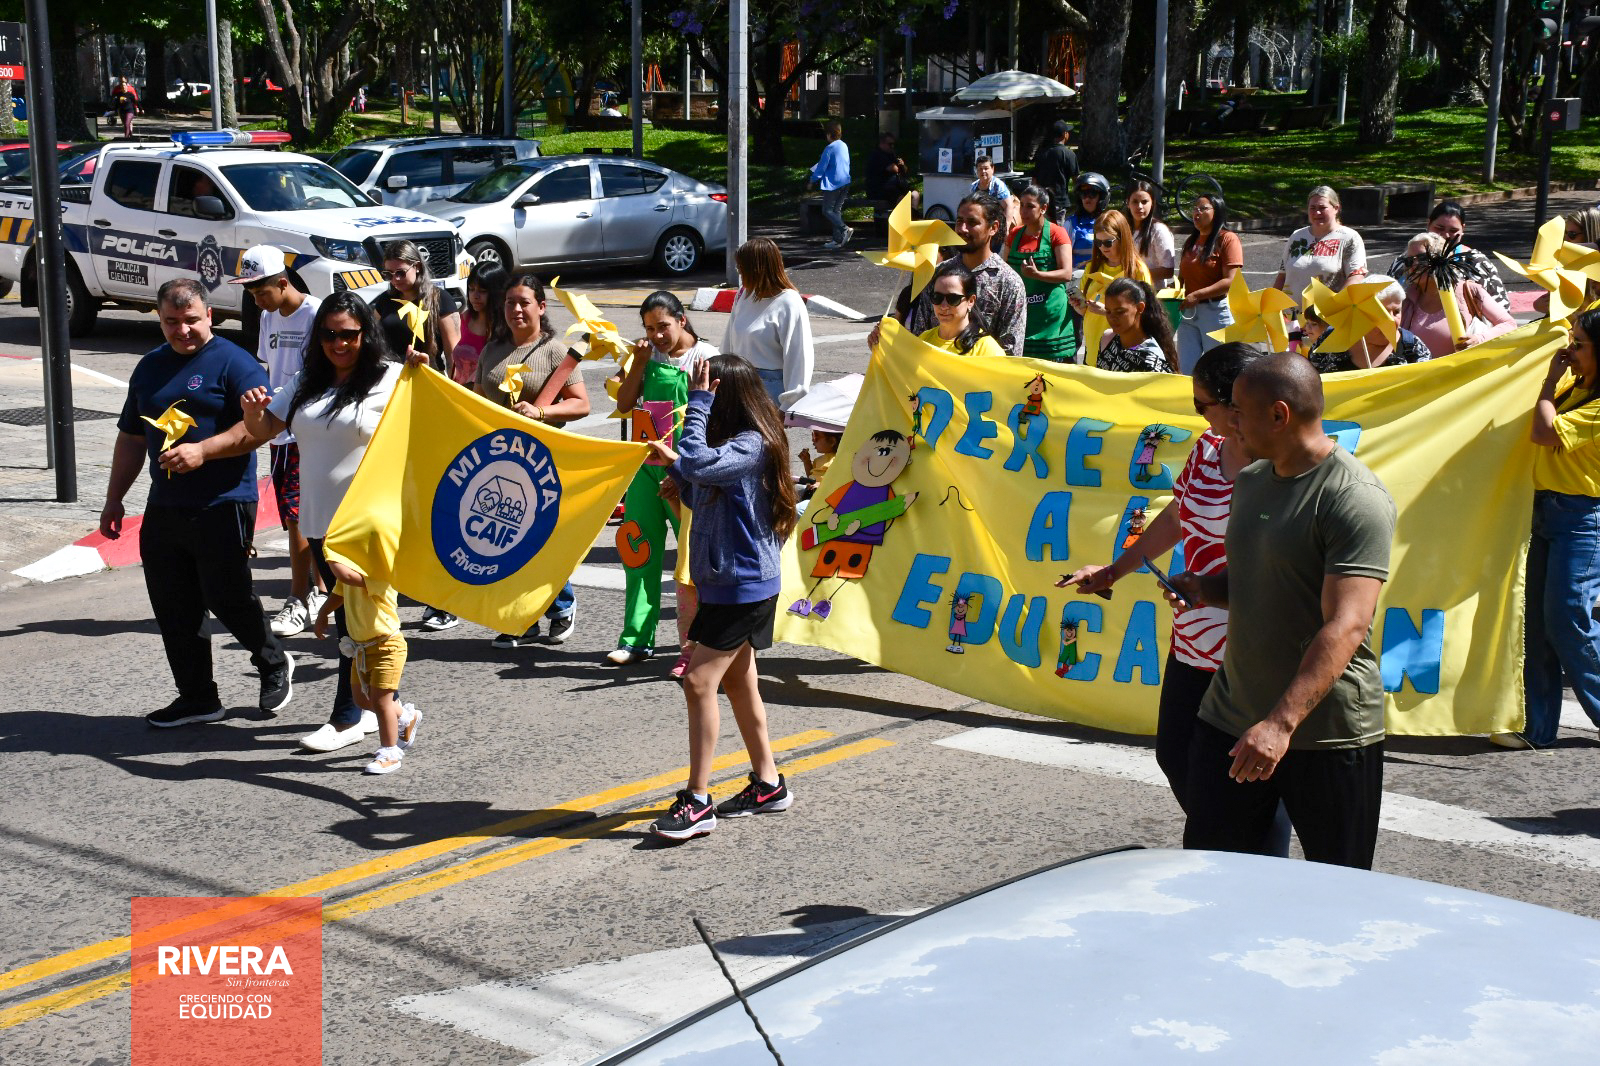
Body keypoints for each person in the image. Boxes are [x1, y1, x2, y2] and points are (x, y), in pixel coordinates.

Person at [1169, 353, 1396, 870]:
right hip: (1230, 719)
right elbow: (1260, 583)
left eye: (1239, 411)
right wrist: (1205, 588)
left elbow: (1347, 623)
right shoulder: (1251, 480)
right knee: (1213, 877)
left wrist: (1279, 724)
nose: (1231, 423)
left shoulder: (1353, 497)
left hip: (1325, 734)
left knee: (1334, 889)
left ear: (1278, 415)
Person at [1064, 343, 1290, 857]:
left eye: (1201, 403)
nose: (1197, 413)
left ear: (1237, 404)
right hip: (1192, 641)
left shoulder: (1281, 467)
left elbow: (1283, 559)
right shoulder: (1207, 449)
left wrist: (1209, 590)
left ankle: (1255, 869)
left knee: (1249, 780)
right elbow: (1176, 515)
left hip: (1249, 649)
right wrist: (1113, 570)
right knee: (1176, 756)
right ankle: (1229, 850)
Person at [102, 279, 293, 727]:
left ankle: (272, 661)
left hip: (224, 501)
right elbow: (131, 437)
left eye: (191, 320)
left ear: (209, 315)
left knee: (227, 595)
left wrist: (203, 451)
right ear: (159, 319)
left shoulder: (234, 362)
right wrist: (114, 499)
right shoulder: (150, 367)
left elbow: (259, 429)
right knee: (174, 603)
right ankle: (198, 697)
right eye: (172, 321)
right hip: (165, 503)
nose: (182, 330)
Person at [241, 292, 404, 753]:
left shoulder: (393, 378)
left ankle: (348, 716)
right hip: (318, 524)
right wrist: (251, 412)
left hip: (367, 523)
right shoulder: (305, 380)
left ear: (366, 334)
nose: (339, 343)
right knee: (357, 624)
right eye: (329, 334)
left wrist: (424, 369)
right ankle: (389, 706)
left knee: (357, 625)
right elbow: (264, 430)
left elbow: (434, 422)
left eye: (349, 334)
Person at [647, 355, 799, 841]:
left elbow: (698, 462)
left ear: (725, 397)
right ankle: (769, 784)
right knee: (739, 682)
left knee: (697, 682)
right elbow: (706, 489)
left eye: (710, 391)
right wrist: (679, 476)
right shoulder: (734, 446)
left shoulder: (752, 443)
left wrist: (697, 404)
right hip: (728, 581)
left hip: (742, 585)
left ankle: (697, 801)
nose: (701, 399)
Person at [475, 273, 588, 647]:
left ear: (541, 307)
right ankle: (520, 617)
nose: (516, 309)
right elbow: (477, 400)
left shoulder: (555, 351)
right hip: (499, 460)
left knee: (541, 535)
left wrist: (541, 412)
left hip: (543, 461)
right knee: (506, 534)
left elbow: (581, 404)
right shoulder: (492, 350)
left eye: (524, 302)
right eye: (510, 302)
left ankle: (561, 607)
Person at [611, 291, 717, 670]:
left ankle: (702, 643)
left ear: (682, 319)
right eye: (649, 328)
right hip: (645, 470)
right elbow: (624, 404)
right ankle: (636, 639)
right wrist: (638, 363)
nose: (656, 336)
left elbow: (715, 423)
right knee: (638, 552)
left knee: (693, 563)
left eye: (663, 326)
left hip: (686, 473)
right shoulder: (644, 356)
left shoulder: (707, 358)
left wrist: (682, 471)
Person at [1511, 308, 1600, 750]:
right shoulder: (1576, 387)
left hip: (1582, 520)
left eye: (1579, 344)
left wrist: (1548, 380)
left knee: (1568, 621)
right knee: (1538, 626)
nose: (1570, 350)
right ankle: (1538, 728)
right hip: (1547, 511)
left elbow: (1545, 432)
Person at [233, 245, 325, 639]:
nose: (256, 301)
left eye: (261, 292)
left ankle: (298, 598)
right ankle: (320, 590)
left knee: (300, 516)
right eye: (251, 293)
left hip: (311, 430)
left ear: (283, 282)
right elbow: (269, 369)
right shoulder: (268, 317)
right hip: (279, 431)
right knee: (300, 516)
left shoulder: (317, 314)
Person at [311, 554, 420, 775]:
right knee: (361, 699)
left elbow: (347, 577)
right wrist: (323, 613)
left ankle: (389, 754)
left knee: (381, 703)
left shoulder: (382, 570)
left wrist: (330, 554)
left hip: (387, 647)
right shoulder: (352, 566)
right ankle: (405, 717)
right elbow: (340, 589)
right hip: (361, 649)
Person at [891, 194, 1027, 357]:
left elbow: (1011, 353)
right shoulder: (937, 274)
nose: (962, 229)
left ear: (993, 227)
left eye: (972, 223)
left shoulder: (1009, 282)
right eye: (959, 221)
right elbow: (920, 334)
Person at [722, 237, 814, 411]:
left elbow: (798, 357)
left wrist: (788, 406)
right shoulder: (744, 294)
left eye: (741, 268)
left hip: (770, 391)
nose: (739, 272)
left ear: (757, 269)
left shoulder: (789, 302)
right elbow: (729, 342)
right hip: (738, 383)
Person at [1396, 231, 1515, 358]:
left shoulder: (1468, 290)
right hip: (1421, 371)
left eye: (1422, 259)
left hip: (1464, 369)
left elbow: (1509, 325)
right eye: (1409, 261)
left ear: (1441, 258)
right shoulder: (1405, 299)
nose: (1414, 265)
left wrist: (1479, 339)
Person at [1383, 201, 1511, 312]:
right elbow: (1385, 297)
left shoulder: (1477, 262)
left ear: (1463, 229)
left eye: (1453, 231)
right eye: (1439, 228)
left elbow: (1502, 307)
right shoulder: (1405, 260)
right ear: (1428, 224)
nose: (1446, 235)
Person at [1072, 210, 1153, 365]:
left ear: (1122, 239)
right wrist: (1080, 306)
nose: (1103, 247)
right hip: (1092, 351)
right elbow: (1087, 312)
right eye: (1098, 242)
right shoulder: (1091, 268)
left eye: (1108, 242)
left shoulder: (1137, 271)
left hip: (1123, 355)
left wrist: (1107, 312)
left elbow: (1146, 315)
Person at [370, 239, 462, 376]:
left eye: (400, 273)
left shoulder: (441, 299)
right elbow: (372, 339)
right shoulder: (385, 299)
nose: (395, 279)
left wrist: (454, 386)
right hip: (391, 378)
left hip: (427, 377)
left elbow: (453, 356)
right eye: (389, 274)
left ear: (417, 266)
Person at [1006, 184, 1076, 361]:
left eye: (1030, 206)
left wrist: (1037, 275)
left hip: (1050, 317)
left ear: (1043, 208)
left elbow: (1067, 273)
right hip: (1022, 315)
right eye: (1022, 205)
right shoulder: (1014, 234)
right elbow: (1004, 268)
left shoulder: (1057, 233)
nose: (1023, 211)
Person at [1175, 192, 1244, 374]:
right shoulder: (1190, 241)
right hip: (1187, 313)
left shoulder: (1227, 239)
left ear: (1217, 211)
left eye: (1203, 208)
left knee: (1218, 370)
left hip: (1215, 313)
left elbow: (1230, 281)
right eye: (1194, 209)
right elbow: (1182, 278)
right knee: (1186, 370)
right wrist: (1172, 291)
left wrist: (1198, 295)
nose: (1196, 212)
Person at [1306, 275, 1431, 373]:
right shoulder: (1327, 342)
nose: (1392, 320)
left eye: (1396, 311)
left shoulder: (1413, 348)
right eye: (1381, 312)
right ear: (1359, 313)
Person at [1273, 185, 1368, 306]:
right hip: (1290, 314)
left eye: (1322, 208)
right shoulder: (1297, 236)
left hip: (1327, 314)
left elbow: (1356, 277)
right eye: (1312, 208)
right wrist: (1271, 307)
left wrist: (1336, 305)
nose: (1317, 213)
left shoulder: (1349, 237)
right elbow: (1282, 276)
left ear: (1336, 208)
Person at [1081, 277, 1176, 372]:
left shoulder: (1151, 362)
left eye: (1120, 311)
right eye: (1108, 311)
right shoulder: (1107, 338)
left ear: (1140, 308)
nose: (1112, 318)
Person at [916, 260, 1008, 357]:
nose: (943, 306)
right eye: (937, 297)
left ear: (971, 301)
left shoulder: (987, 350)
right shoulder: (924, 339)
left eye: (953, 299)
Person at [452, 261, 510, 387]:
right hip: (458, 393)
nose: (475, 296)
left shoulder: (508, 327)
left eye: (482, 291)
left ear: (498, 292)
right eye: (471, 289)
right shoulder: (464, 318)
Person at [808, 120, 853, 249]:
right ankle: (837, 239)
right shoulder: (844, 145)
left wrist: (812, 180)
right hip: (845, 181)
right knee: (836, 211)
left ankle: (844, 229)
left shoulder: (829, 148)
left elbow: (821, 168)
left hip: (833, 183)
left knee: (827, 210)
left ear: (828, 135)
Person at [1125, 180, 1176, 286]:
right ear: (1128, 203)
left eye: (1144, 202)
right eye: (1135, 202)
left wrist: (1135, 275)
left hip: (1152, 291)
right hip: (1127, 290)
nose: (1139, 206)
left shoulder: (1159, 230)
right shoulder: (1123, 228)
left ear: (1152, 203)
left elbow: (1168, 270)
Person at [1031, 119, 1078, 223]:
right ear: (1065, 134)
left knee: (1044, 228)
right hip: (1060, 202)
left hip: (1043, 201)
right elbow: (1076, 180)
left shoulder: (1042, 153)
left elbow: (1034, 181)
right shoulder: (1069, 154)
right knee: (1057, 230)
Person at [971, 155, 1018, 251]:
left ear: (992, 169)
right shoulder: (974, 186)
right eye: (980, 169)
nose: (983, 171)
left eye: (986, 168)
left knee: (994, 252)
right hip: (982, 225)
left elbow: (1008, 206)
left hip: (997, 226)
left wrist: (1006, 228)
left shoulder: (998, 186)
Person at [1066, 172, 1109, 272]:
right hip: (1078, 277)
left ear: (1102, 197)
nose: (1087, 198)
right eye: (1083, 194)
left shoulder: (1110, 222)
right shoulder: (1071, 224)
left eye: (1092, 194)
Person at [864, 130, 915, 210]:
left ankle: (913, 214)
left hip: (892, 186)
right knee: (901, 197)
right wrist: (898, 166)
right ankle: (901, 216)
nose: (892, 146)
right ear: (882, 143)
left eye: (893, 144)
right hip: (878, 188)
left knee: (914, 194)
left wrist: (902, 165)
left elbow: (904, 170)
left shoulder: (891, 154)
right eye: (890, 144)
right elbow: (893, 168)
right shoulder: (877, 155)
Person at [112, 75, 140, 139]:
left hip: (130, 108)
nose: (122, 82)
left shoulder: (131, 88)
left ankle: (127, 136)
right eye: (120, 81)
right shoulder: (116, 88)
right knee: (125, 123)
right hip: (121, 109)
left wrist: (137, 107)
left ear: (126, 80)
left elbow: (135, 99)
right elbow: (113, 98)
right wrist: (113, 107)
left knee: (128, 122)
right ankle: (129, 136)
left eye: (123, 81)